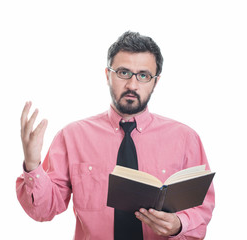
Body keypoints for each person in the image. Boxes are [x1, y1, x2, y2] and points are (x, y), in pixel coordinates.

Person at [16, 31, 215, 240]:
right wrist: (32, 164)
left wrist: (179, 224)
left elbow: (203, 207)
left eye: (144, 75)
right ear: (107, 74)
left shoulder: (185, 139)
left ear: (155, 82)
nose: (132, 85)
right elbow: (44, 210)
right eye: (123, 72)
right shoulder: (71, 137)